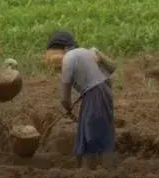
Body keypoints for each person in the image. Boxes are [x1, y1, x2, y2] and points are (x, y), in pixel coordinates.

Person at [48, 30, 118, 169]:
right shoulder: (88, 52)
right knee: (96, 128)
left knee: (90, 132)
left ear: (62, 48)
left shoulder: (68, 59)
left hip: (94, 95)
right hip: (103, 92)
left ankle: (93, 170)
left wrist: (68, 109)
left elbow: (65, 98)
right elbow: (111, 69)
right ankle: (95, 168)